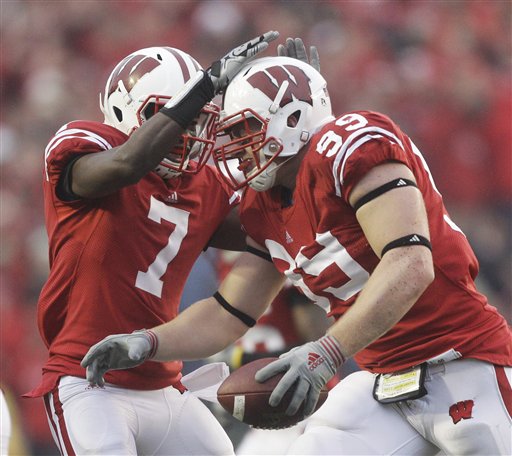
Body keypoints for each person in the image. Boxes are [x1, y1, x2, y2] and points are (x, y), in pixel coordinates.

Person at [81, 48, 512, 455]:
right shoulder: (262, 206)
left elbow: (412, 264)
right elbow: (228, 310)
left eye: (244, 129)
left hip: (465, 362)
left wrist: (324, 353)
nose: (235, 148)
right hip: (380, 382)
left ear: (291, 118)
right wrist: (149, 341)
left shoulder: (349, 147)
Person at [23, 31, 281, 456]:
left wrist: (304, 137)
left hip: (164, 385)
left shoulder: (206, 185)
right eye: (172, 115)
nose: (188, 131)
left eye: (198, 118)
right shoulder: (88, 150)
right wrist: (203, 88)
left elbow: (275, 225)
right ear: (126, 113)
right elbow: (128, 164)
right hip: (88, 382)